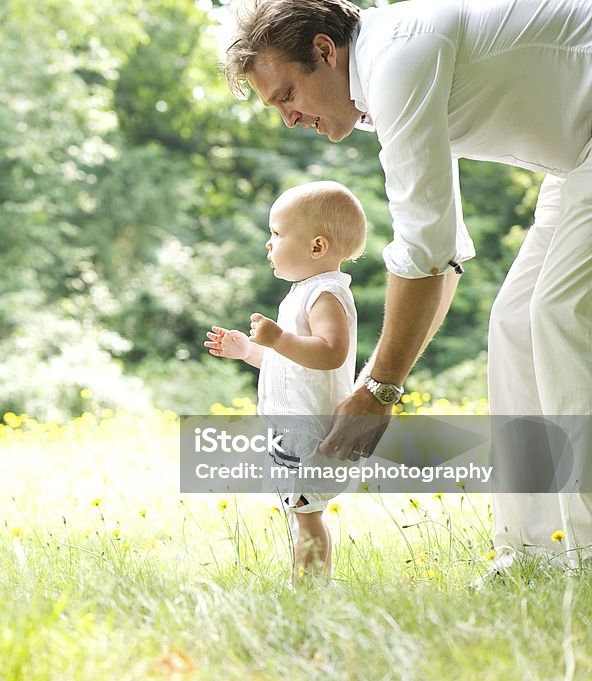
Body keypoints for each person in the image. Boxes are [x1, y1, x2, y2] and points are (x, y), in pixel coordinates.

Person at [223, 0, 592, 577]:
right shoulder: (383, 80)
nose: (288, 118)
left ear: (325, 51)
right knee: (514, 324)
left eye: (288, 95)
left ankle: (589, 555)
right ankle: (534, 552)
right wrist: (380, 387)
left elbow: (423, 251)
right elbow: (441, 258)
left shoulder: (398, 59)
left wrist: (379, 391)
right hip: (575, 160)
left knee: (559, 313)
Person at [204, 181, 366, 584]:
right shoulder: (300, 294)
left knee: (307, 514)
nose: (268, 244)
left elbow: (331, 352)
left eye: (277, 234)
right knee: (300, 511)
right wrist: (249, 352)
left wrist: (278, 338)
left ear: (316, 247)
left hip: (315, 431)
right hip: (292, 430)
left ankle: (310, 590)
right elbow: (290, 364)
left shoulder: (325, 294)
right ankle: (306, 583)